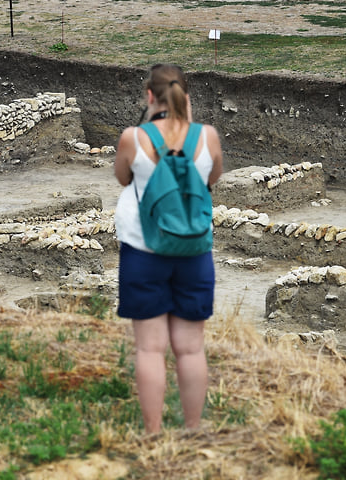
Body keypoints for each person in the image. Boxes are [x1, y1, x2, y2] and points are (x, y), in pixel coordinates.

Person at [113, 64, 224, 435]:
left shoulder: (134, 137)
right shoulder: (206, 136)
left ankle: (153, 432)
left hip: (144, 251)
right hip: (194, 252)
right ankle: (193, 427)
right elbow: (211, 179)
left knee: (150, 348)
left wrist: (151, 125)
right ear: (186, 97)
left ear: (149, 96)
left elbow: (123, 177)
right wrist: (188, 125)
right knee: (191, 349)